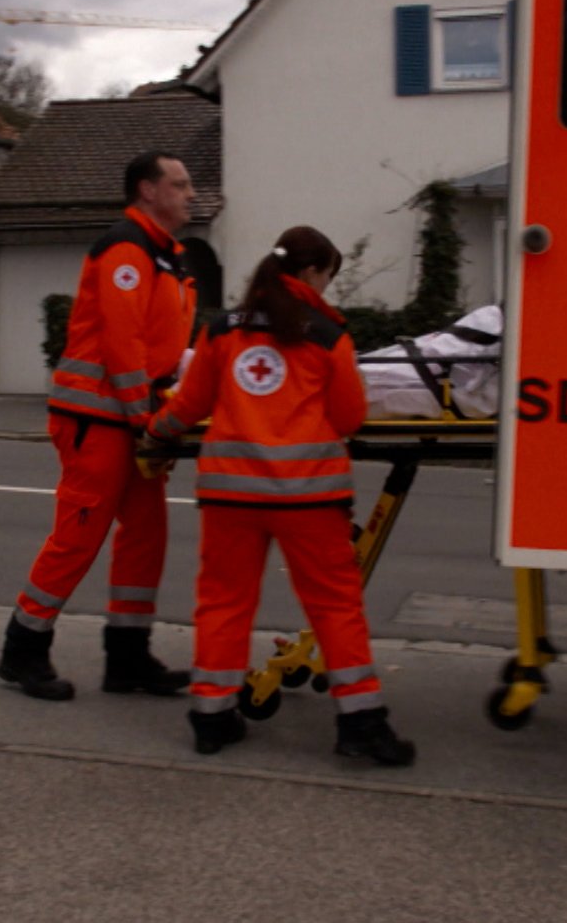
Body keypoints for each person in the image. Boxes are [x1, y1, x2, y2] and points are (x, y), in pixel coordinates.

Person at [143, 226, 415, 766]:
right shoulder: (327, 335)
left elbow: (190, 403)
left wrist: (154, 431)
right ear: (312, 274)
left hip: (230, 496)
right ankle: (360, 723)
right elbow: (348, 418)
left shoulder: (223, 329)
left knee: (223, 602)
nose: (329, 287)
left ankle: (212, 718)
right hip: (308, 498)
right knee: (335, 606)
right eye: (328, 275)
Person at [0, 150, 197, 701]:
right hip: (98, 418)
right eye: (179, 184)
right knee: (79, 536)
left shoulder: (167, 257)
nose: (190, 193)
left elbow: (161, 349)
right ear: (147, 191)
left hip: (126, 418)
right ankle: (23, 650)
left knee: (146, 535)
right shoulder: (127, 252)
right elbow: (122, 343)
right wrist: (147, 419)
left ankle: (128, 658)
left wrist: (165, 413)